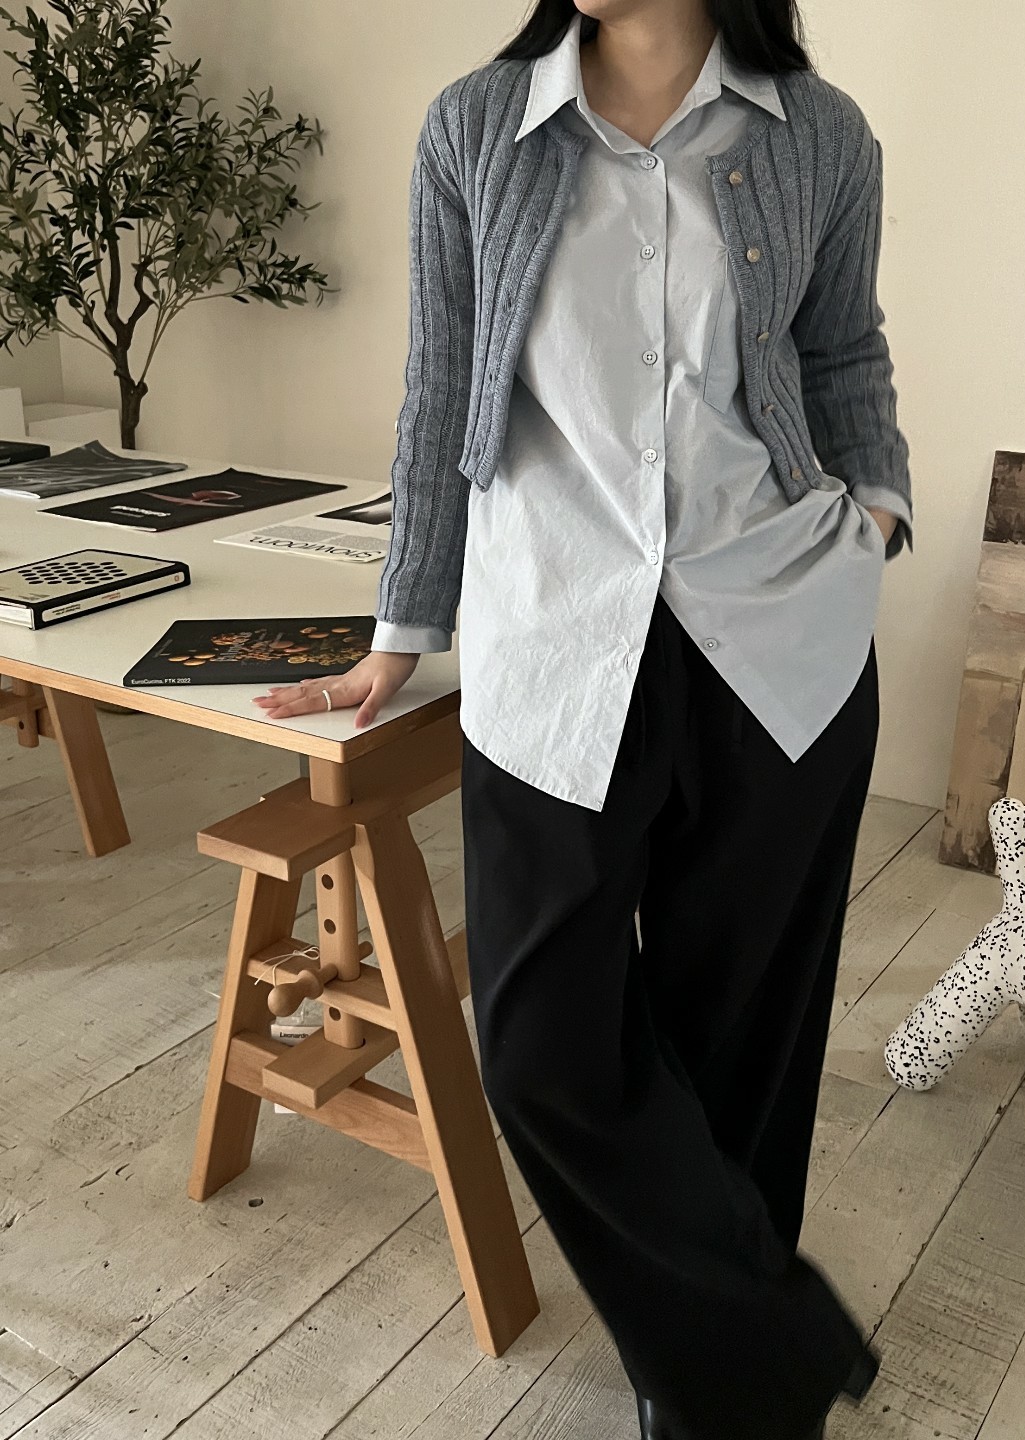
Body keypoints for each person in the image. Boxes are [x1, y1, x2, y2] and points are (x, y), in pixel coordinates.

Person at [254, 2, 913, 1435]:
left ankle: (717, 1402)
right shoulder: (477, 128)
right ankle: (773, 1349)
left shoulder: (823, 135)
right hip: (552, 641)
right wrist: (403, 626)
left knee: (741, 1045)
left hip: (777, 642)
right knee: (542, 1048)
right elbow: (441, 390)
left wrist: (873, 514)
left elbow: (843, 352)